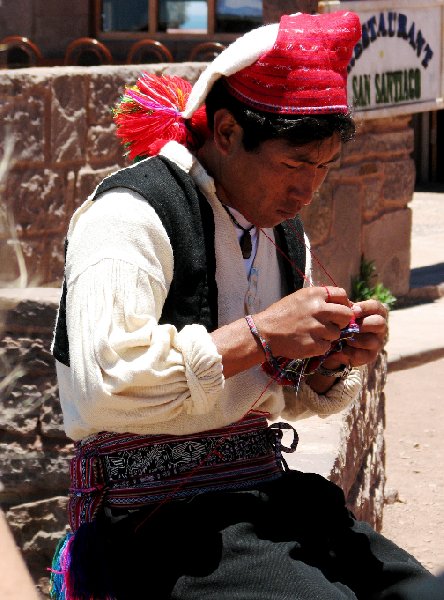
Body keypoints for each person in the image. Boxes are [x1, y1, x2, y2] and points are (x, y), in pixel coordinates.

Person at [50, 11, 430, 600]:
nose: (307, 189)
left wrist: (329, 362)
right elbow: (109, 381)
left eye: (323, 169)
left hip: (264, 497)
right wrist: (260, 334)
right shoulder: (129, 216)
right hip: (152, 519)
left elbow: (274, 391)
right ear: (226, 132)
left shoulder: (280, 232)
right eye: (294, 165)